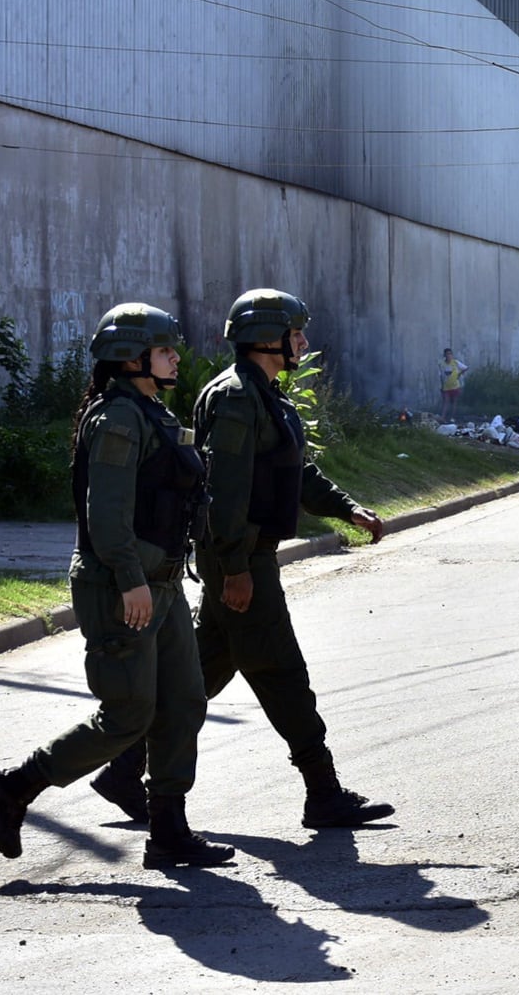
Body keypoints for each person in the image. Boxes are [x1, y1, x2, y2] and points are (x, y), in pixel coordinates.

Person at [91, 290, 393, 831]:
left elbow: (292, 470)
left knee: (199, 673)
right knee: (282, 672)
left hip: (245, 555)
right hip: (241, 558)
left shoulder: (265, 396)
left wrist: (346, 508)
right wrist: (234, 568)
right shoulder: (234, 399)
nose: (303, 342)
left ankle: (124, 768)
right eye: (295, 333)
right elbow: (225, 492)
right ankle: (322, 791)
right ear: (267, 339)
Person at [0, 304, 234, 869]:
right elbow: (107, 516)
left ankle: (169, 831)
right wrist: (130, 580)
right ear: (131, 357)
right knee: (128, 715)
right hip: (122, 588)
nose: (175, 358)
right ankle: (13, 787)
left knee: (183, 702)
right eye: (164, 350)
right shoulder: (118, 418)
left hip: (162, 585)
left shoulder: (151, 412)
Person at [439, 348, 468, 421]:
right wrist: (441, 386)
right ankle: (443, 417)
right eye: (447, 354)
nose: (449, 355)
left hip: (455, 386)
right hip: (446, 386)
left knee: (454, 402)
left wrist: (459, 374)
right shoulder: (442, 364)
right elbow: (441, 376)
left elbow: (465, 368)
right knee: (446, 402)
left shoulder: (455, 362)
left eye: (450, 354)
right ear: (444, 355)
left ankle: (452, 417)